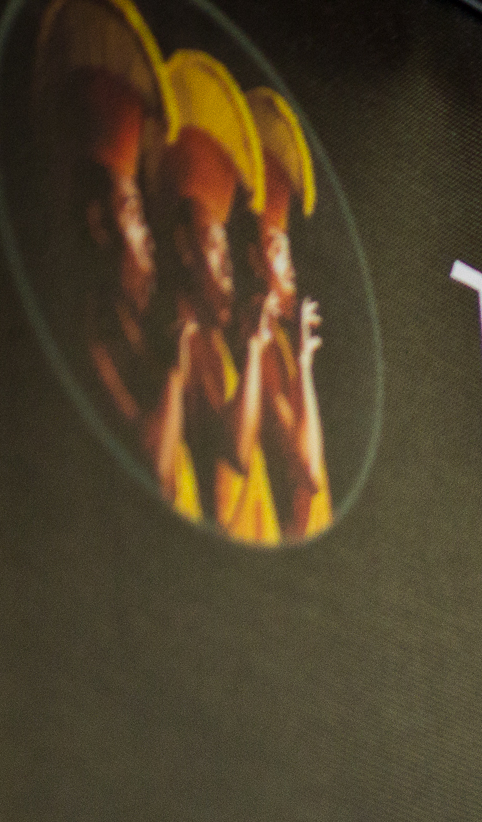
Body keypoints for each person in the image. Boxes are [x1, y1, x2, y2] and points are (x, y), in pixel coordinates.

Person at [33, 0, 194, 507]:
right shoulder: (90, 339)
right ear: (98, 224)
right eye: (133, 214)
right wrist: (174, 371)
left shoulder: (131, 334)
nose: (149, 239)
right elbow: (154, 469)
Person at [156, 48, 279, 543]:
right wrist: (253, 350)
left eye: (229, 251)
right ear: (184, 246)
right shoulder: (181, 336)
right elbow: (233, 452)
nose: (228, 269)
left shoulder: (212, 342)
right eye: (213, 245)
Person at [244, 87, 331, 540]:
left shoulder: (274, 340)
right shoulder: (257, 348)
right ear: (252, 260)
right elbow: (307, 472)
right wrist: (304, 366)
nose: (290, 265)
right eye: (277, 249)